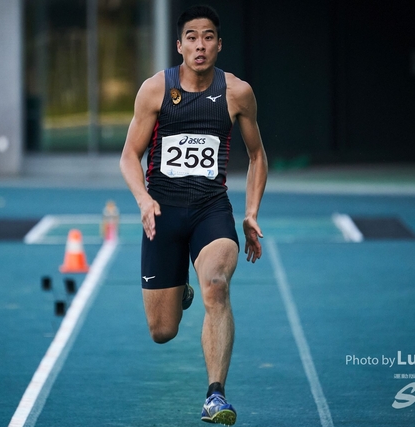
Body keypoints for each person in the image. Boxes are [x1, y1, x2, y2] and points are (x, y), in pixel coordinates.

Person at [119, 5, 267, 425]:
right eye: (191, 37)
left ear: (219, 44)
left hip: (210, 211)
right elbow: (130, 155)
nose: (199, 45)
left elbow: (257, 156)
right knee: (162, 332)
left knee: (216, 286)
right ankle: (179, 286)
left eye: (207, 37)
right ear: (179, 44)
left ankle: (215, 395)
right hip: (162, 215)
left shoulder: (237, 93)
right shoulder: (155, 90)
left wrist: (251, 212)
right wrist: (144, 200)